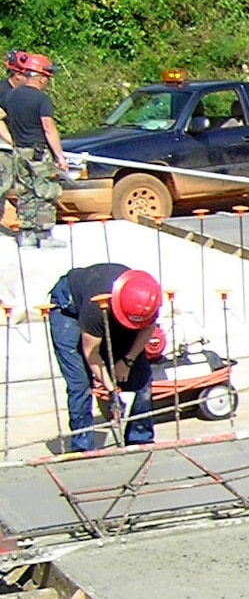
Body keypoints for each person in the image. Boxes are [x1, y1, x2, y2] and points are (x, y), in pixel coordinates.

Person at [48, 264, 162, 453]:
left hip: (115, 308)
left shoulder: (147, 299)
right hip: (69, 308)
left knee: (142, 379)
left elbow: (147, 328)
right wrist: (112, 391)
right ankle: (83, 448)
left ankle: (139, 440)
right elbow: (91, 354)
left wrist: (127, 361)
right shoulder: (96, 309)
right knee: (80, 383)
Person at [4, 51, 68, 247]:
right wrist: (60, 157)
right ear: (40, 77)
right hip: (38, 152)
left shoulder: (11, 96)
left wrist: (11, 139)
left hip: (19, 152)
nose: (47, 82)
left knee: (25, 192)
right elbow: (48, 128)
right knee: (46, 191)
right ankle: (44, 235)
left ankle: (26, 234)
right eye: (46, 78)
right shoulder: (41, 100)